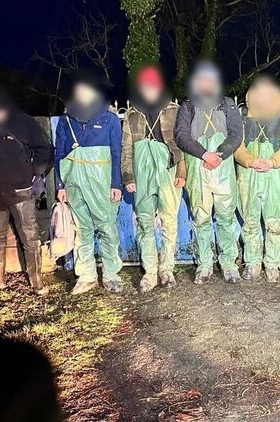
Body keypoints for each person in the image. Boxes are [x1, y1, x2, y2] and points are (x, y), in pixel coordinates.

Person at [0, 83, 54, 296]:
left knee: (29, 235)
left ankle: (36, 279)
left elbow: (45, 149)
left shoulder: (24, 122)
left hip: (21, 190)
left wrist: (34, 172)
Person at [54, 71, 123, 295]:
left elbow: (117, 153)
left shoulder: (109, 119)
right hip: (74, 181)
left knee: (107, 227)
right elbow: (59, 153)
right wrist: (60, 186)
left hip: (102, 181)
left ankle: (111, 274)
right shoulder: (66, 119)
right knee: (81, 229)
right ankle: (86, 276)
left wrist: (116, 184)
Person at [175, 61, 243, 285]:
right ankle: (204, 265)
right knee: (201, 218)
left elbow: (236, 134)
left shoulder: (227, 104)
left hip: (222, 167)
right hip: (198, 168)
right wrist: (204, 154)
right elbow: (181, 136)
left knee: (226, 217)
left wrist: (220, 154)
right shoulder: (187, 106)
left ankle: (229, 264)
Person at [122, 65, 185, 293]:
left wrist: (181, 172)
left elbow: (182, 143)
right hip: (142, 173)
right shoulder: (132, 114)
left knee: (169, 221)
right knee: (145, 222)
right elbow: (127, 148)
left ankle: (166, 269)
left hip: (168, 170)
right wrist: (128, 176)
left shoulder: (174, 110)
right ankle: (150, 272)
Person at [234, 75, 280, 283]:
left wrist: (274, 161)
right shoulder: (243, 114)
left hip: (274, 174)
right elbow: (236, 145)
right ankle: (252, 262)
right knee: (250, 221)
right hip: (249, 174)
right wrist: (250, 161)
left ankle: (272, 263)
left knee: (275, 222)